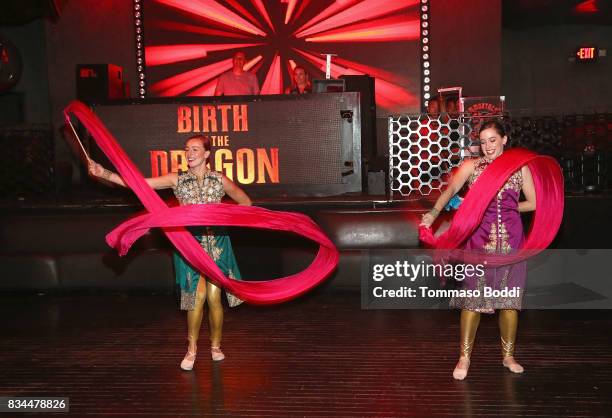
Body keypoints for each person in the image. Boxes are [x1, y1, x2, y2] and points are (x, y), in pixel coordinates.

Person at [88, 135, 252, 370]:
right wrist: (106, 174)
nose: (190, 153)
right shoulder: (177, 179)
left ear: (207, 154)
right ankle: (192, 349)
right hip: (188, 246)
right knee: (197, 298)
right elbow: (140, 184)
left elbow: (245, 202)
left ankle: (216, 346)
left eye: (195, 149)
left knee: (215, 298)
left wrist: (226, 218)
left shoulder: (220, 180)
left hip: (217, 246)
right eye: (187, 149)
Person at [420, 119, 536, 380]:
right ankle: (464, 357)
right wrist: (433, 213)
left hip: (511, 243)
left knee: (509, 302)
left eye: (493, 140)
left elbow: (534, 202)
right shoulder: (472, 167)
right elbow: (450, 190)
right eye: (483, 142)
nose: (488, 146)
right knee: (472, 300)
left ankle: (508, 356)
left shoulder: (520, 168)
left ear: (505, 139)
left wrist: (508, 208)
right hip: (479, 243)